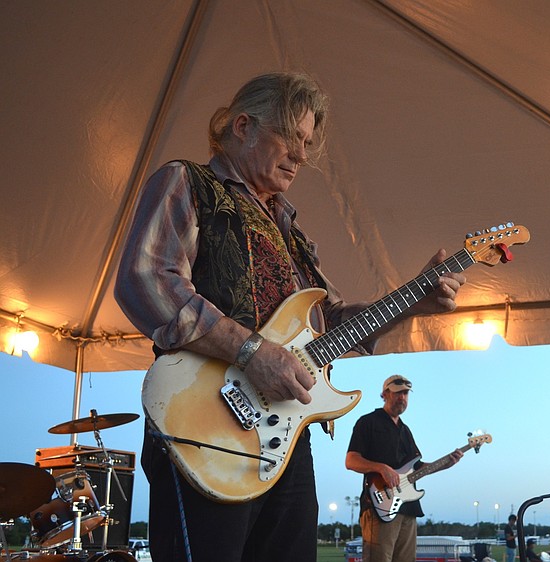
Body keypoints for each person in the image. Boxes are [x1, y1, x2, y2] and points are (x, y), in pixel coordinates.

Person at [114, 72, 466, 562]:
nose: (302, 155)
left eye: (307, 143)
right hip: (202, 430)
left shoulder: (292, 232)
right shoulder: (187, 182)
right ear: (243, 126)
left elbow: (333, 323)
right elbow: (145, 279)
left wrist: (415, 300)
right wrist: (253, 352)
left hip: (285, 441)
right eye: (291, 137)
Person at [345, 375, 464, 561]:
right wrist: (382, 468)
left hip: (409, 508)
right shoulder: (368, 422)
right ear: (385, 394)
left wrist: (444, 464)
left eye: (406, 393)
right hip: (379, 506)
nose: (402, 397)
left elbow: (417, 468)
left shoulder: (405, 430)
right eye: (397, 393)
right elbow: (351, 460)